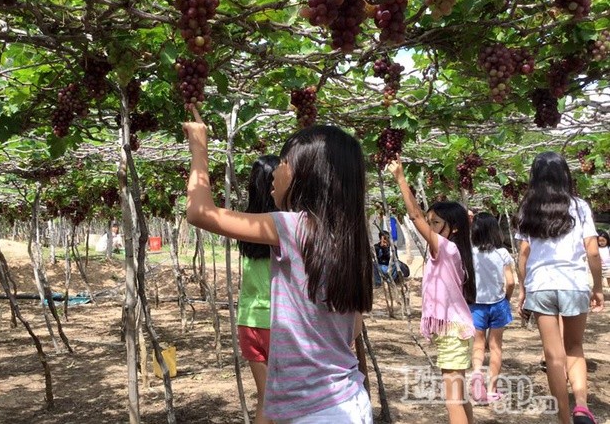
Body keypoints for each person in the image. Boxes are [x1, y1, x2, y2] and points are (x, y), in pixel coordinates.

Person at [183, 108, 373, 423]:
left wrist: (199, 148)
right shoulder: (350, 240)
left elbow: (200, 212)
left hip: (313, 411)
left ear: (306, 175)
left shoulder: (293, 227)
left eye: (283, 163)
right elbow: (352, 329)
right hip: (347, 401)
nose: (275, 172)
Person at [514, 151, 604, 424]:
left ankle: (564, 419)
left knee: (553, 356)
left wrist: (523, 289)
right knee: (574, 347)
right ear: (565, 175)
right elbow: (592, 251)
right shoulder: (579, 206)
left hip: (541, 285)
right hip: (574, 284)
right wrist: (597, 287)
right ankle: (581, 407)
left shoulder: (527, 208)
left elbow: (523, 255)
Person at [387, 156, 476, 424]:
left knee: (453, 401)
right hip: (455, 331)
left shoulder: (446, 249)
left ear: (454, 228)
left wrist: (400, 178)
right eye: (431, 222)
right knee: (459, 396)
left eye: (436, 223)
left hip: (452, 332)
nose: (431, 227)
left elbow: (414, 215)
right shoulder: (451, 251)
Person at [237, 155, 280, 424]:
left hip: (248, 320)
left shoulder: (245, 223)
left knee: (265, 400)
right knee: (290, 402)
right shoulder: (283, 223)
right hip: (278, 322)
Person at [468, 212, 515, 404]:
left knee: (478, 345)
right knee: (496, 348)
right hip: (498, 304)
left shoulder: (469, 253)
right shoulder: (502, 253)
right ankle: (491, 389)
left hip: (476, 305)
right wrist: (506, 299)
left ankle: (477, 372)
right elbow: (510, 282)